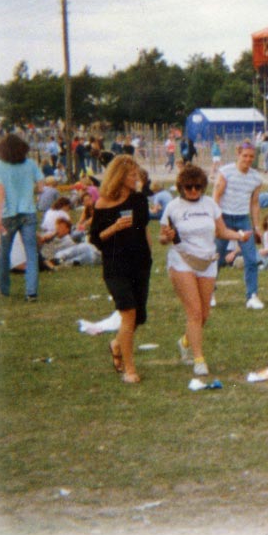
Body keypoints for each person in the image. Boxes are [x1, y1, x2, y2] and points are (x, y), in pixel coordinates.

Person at [160, 164, 246, 376]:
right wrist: (167, 237)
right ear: (181, 187)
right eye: (189, 187)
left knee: (204, 314)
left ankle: (185, 341)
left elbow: (222, 230)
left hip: (207, 261)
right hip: (182, 260)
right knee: (195, 312)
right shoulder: (173, 207)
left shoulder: (210, 205)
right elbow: (162, 237)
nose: (193, 191)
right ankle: (199, 359)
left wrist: (240, 236)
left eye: (198, 187)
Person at [89, 155, 152, 384]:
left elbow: (142, 229)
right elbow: (96, 239)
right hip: (115, 266)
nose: (136, 179)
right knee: (128, 314)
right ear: (119, 176)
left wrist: (150, 256)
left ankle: (117, 344)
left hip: (140, 263)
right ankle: (130, 369)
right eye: (132, 175)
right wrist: (114, 227)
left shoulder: (139, 200)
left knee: (137, 318)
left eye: (137, 175)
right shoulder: (103, 203)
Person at [0, 133, 44, 301]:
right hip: (28, 212)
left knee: (5, 252)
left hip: (8, 214)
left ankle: (3, 287)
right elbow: (41, 187)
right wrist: (29, 192)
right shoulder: (30, 164)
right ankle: (31, 292)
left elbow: (0, 192)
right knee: (31, 252)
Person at [213, 142, 265, 310]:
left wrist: (257, 226)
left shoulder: (256, 178)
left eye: (251, 156)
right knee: (217, 257)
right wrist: (217, 221)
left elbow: (255, 203)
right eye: (245, 156)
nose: (248, 159)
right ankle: (209, 292)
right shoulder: (226, 172)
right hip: (224, 218)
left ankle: (252, 295)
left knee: (251, 258)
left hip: (243, 220)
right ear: (238, 154)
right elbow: (216, 197)